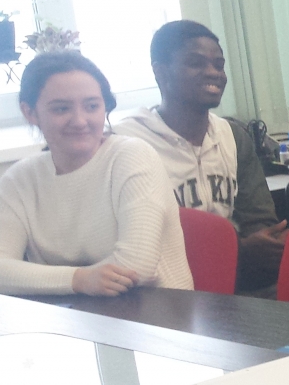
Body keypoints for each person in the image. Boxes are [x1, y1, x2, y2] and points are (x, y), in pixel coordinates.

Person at [0, 52, 192, 295]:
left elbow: (137, 266)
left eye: (92, 106)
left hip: (158, 312)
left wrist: (51, 280)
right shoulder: (19, 179)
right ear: (30, 113)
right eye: (61, 109)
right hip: (68, 314)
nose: (80, 121)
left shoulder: (133, 156)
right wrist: (78, 279)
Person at [114, 20, 286, 290]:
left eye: (219, 65)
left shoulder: (233, 136)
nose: (213, 73)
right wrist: (240, 248)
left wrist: (265, 240)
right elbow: (135, 241)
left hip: (233, 280)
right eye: (196, 63)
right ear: (160, 72)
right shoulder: (127, 143)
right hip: (163, 288)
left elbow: (258, 218)